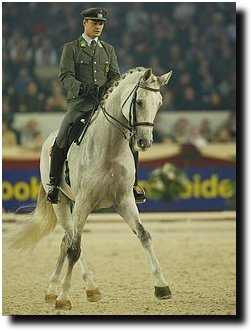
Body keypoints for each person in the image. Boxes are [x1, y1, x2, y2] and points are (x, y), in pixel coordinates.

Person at [47, 7, 146, 204]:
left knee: (129, 137)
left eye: (101, 23)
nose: (98, 26)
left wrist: (107, 89)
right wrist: (82, 88)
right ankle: (53, 184)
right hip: (80, 104)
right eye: (94, 23)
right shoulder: (72, 48)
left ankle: (133, 184)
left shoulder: (108, 49)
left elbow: (115, 77)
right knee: (63, 135)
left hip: (104, 105)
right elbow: (65, 76)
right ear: (85, 23)